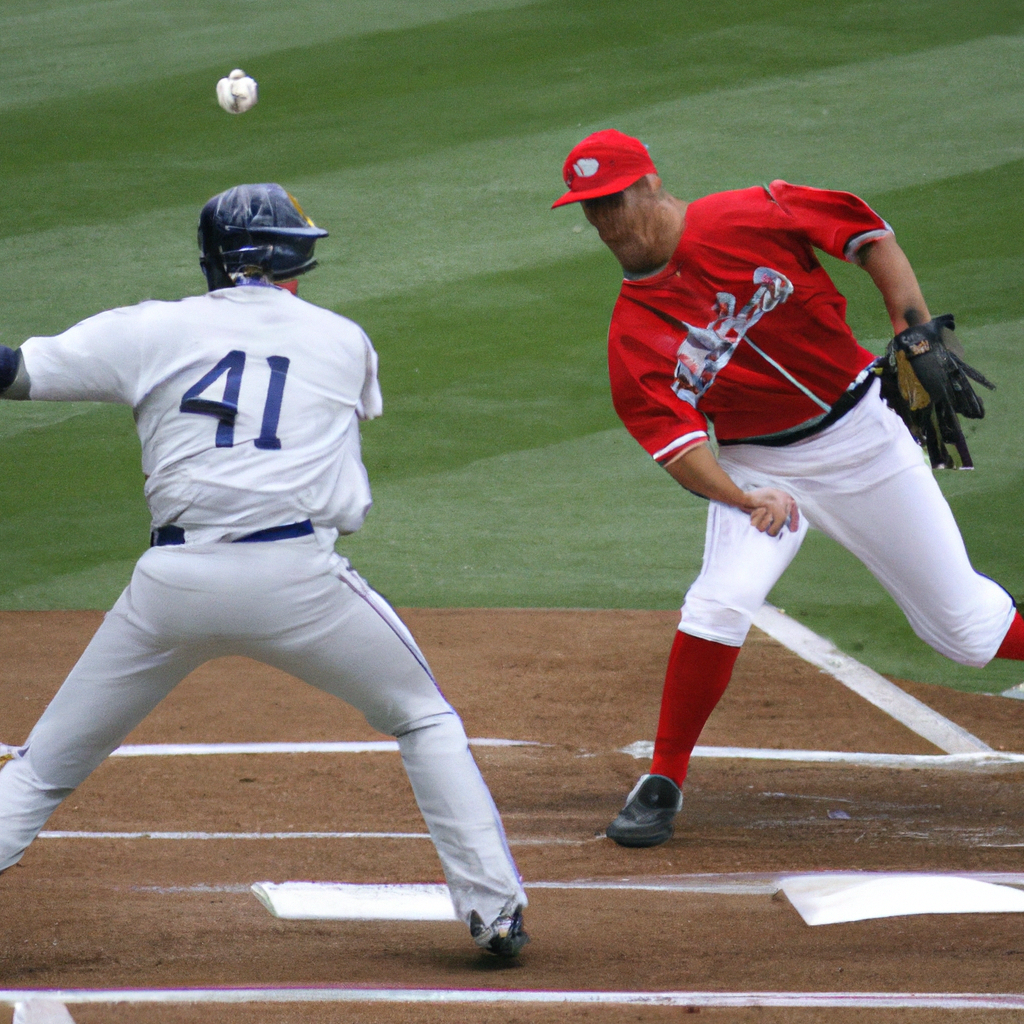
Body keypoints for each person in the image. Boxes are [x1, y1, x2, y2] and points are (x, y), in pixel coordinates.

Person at [0, 183, 528, 956]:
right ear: (290, 257)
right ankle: (495, 911)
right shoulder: (345, 340)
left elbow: (15, 373)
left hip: (173, 585)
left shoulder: (151, 328)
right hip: (298, 583)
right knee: (422, 717)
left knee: (44, 767)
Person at [552, 130, 1024, 848]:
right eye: (590, 210)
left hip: (864, 437)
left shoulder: (748, 215)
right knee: (720, 600)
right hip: (756, 465)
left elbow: (866, 233)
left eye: (614, 201)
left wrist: (913, 327)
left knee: (964, 631)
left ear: (650, 184)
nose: (606, 222)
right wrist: (743, 499)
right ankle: (663, 779)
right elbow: (678, 451)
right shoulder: (634, 333)